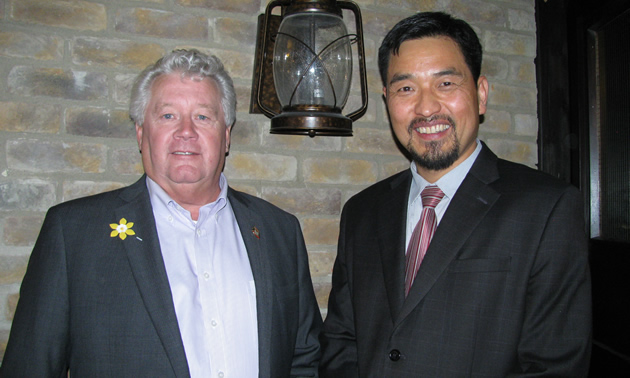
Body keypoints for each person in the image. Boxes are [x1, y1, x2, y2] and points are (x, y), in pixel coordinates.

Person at [1, 49, 322, 377]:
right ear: (141, 132)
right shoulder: (72, 235)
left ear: (225, 136)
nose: (186, 131)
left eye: (203, 116)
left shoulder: (279, 232)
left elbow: (305, 359)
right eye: (168, 115)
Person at [319, 11, 591, 377]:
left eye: (445, 84)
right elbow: (341, 342)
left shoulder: (546, 208)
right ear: (387, 100)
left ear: (480, 94)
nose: (426, 107)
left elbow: (554, 366)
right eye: (405, 88)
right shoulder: (362, 211)